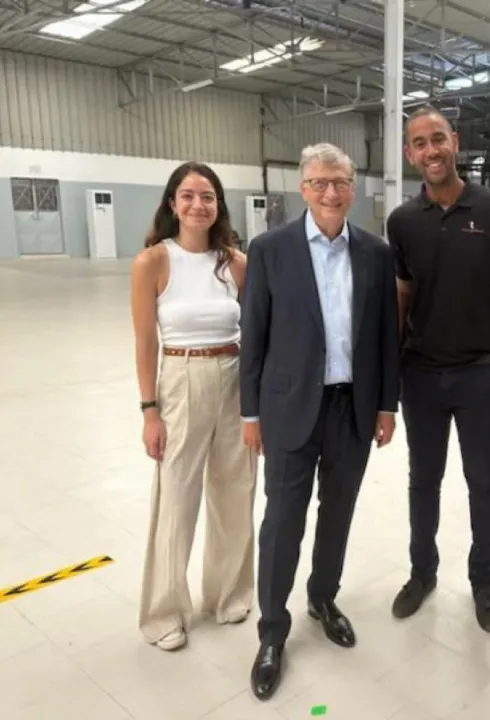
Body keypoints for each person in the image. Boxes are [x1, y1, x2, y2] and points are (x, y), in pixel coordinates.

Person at [240, 142, 400, 701]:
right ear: (303, 189)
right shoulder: (269, 250)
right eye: (319, 182)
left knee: (338, 512)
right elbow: (253, 336)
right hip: (287, 408)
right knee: (283, 519)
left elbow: (385, 336)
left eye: (339, 182)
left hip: (351, 408)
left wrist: (386, 404)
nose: (330, 192)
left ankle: (323, 596)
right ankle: (272, 632)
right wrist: (250, 412)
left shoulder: (375, 253)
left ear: (352, 188)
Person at [386, 106, 490, 633]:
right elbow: (401, 296)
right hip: (419, 375)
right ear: (410, 154)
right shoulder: (402, 221)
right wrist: (389, 370)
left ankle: (483, 580)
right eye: (419, 143)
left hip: (480, 372)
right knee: (422, 480)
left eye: (438, 139)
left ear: (455, 142)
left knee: (481, 481)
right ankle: (422, 573)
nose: (431, 150)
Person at [131, 161, 257, 652]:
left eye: (207, 196)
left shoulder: (236, 263)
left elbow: (256, 331)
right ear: (172, 203)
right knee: (176, 500)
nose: (198, 205)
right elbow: (144, 342)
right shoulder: (153, 262)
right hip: (180, 379)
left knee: (236, 490)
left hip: (234, 379)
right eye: (187, 196)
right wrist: (149, 410)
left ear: (218, 205)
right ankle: (164, 611)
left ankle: (227, 594)